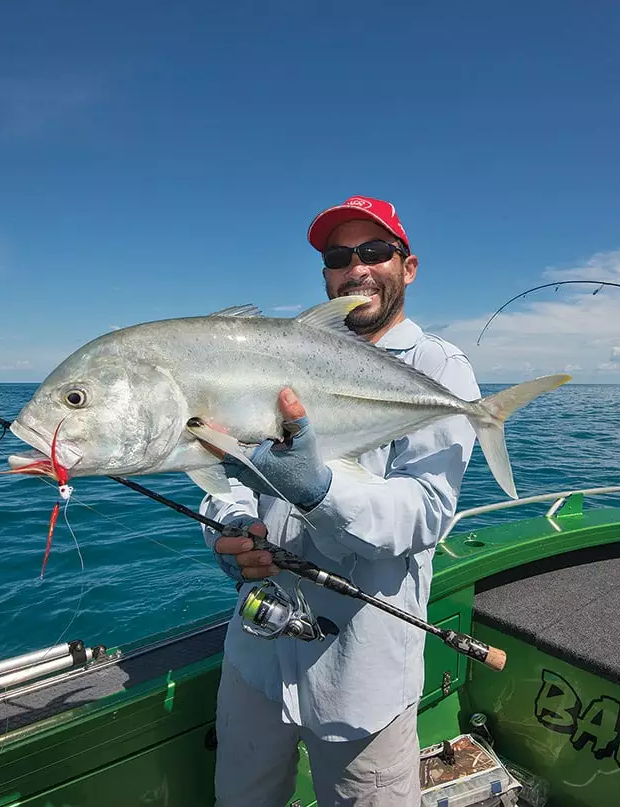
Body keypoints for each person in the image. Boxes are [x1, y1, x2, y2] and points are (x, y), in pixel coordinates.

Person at [198, 195, 481, 805]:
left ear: (408, 267)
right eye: (338, 256)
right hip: (256, 658)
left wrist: (320, 491)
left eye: (376, 251)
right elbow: (223, 475)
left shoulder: (439, 369)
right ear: (325, 275)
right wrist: (229, 532)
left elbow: (425, 512)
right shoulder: (275, 355)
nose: (357, 268)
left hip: (362, 676)